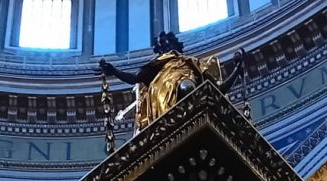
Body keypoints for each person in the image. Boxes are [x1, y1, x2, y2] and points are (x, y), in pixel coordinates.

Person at [98, 31, 244, 131]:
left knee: (188, 87)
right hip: (161, 93)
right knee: (187, 88)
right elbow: (135, 79)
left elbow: (218, 90)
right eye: (164, 47)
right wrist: (114, 71)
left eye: (170, 45)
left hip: (187, 84)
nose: (168, 49)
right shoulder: (157, 64)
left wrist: (237, 69)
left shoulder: (193, 63)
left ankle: (191, 121)